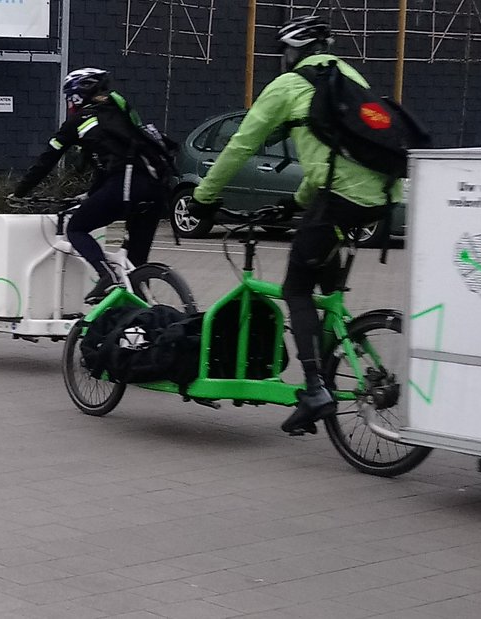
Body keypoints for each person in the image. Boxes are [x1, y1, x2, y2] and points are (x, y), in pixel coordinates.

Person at [188, 15, 403, 436]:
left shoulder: (288, 85)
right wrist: (296, 202)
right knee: (324, 282)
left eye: (285, 51)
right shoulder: (349, 77)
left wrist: (203, 196)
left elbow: (241, 145)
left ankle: (315, 391)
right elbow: (336, 155)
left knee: (295, 289)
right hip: (381, 197)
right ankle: (335, 355)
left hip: (339, 200)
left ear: (293, 52)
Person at [11, 68, 167, 304]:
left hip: (126, 185)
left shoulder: (78, 121)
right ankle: (143, 317)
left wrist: (20, 192)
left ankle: (106, 275)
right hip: (156, 189)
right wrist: (91, 194)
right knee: (135, 268)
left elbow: (47, 160)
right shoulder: (120, 115)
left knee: (76, 228)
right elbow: (111, 163)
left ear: (76, 95)